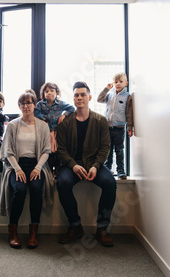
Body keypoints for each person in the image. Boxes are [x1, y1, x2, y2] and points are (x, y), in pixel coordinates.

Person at [56, 81, 116, 247]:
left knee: (110, 183)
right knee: (63, 183)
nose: (79, 98)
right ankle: (75, 226)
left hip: (93, 163)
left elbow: (105, 147)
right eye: (76, 95)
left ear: (89, 97)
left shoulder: (100, 121)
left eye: (83, 95)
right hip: (72, 164)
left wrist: (96, 166)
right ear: (73, 99)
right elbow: (61, 150)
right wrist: (73, 165)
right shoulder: (65, 123)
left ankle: (102, 228)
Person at [0, 89, 54, 249]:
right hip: (16, 165)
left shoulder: (43, 126)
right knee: (20, 190)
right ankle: (13, 232)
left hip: (37, 165)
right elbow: (8, 151)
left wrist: (37, 168)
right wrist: (17, 169)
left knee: (37, 188)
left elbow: (46, 151)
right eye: (22, 103)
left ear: (35, 105)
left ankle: (33, 233)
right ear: (19, 106)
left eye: (28, 103)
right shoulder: (12, 125)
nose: (25, 106)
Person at [97, 72, 134, 180]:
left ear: (126, 83)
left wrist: (130, 127)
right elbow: (99, 99)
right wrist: (106, 89)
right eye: (116, 82)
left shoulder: (127, 97)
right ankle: (107, 169)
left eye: (121, 82)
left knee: (119, 150)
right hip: (108, 127)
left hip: (119, 128)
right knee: (108, 149)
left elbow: (129, 114)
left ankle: (121, 171)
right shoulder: (110, 94)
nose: (118, 84)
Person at [34, 82, 75, 177]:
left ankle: (57, 169)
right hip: (46, 131)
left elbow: (72, 108)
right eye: (47, 91)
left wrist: (64, 115)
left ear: (56, 92)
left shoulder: (60, 104)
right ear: (43, 94)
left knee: (58, 151)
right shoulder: (40, 104)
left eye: (52, 91)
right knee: (48, 151)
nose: (49, 93)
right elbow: (36, 112)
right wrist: (43, 119)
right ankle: (48, 171)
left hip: (57, 132)